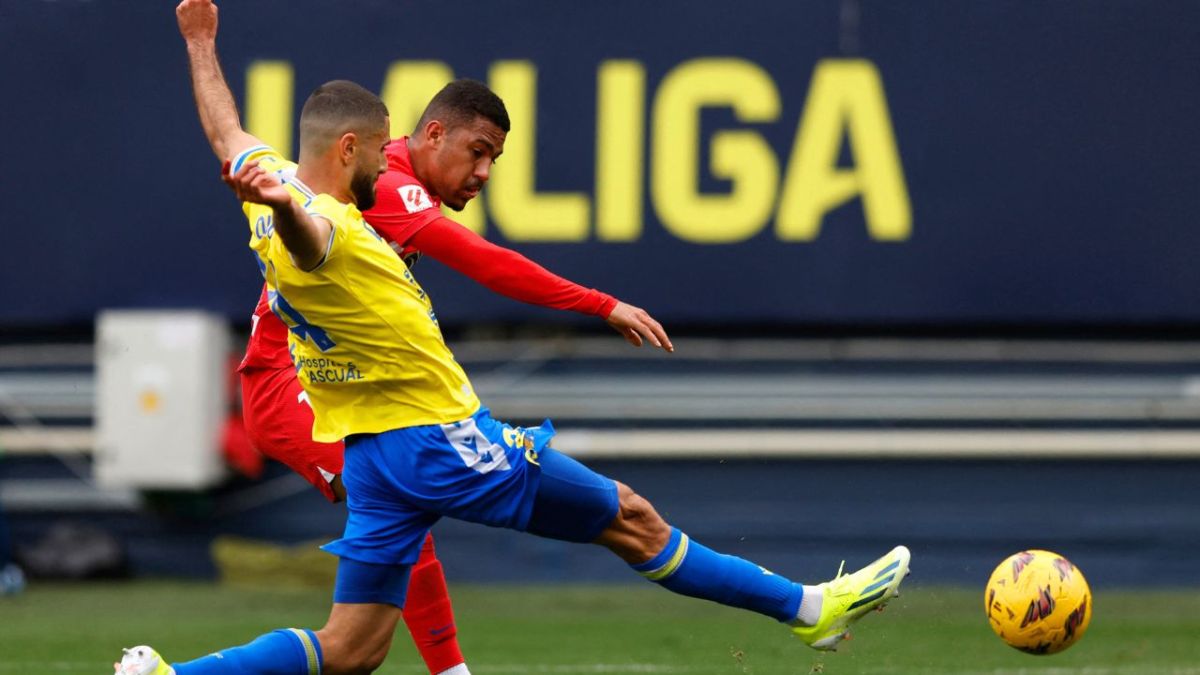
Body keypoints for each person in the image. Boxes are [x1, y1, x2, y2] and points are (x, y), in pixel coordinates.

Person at [117, 1, 910, 672]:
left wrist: (200, 42)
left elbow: (225, 130)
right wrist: (289, 207)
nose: (390, 164)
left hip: (374, 452)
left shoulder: (272, 189)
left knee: (353, 647)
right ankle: (809, 607)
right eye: (383, 149)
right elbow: (318, 238)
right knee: (629, 516)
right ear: (349, 149)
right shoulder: (326, 222)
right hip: (435, 438)